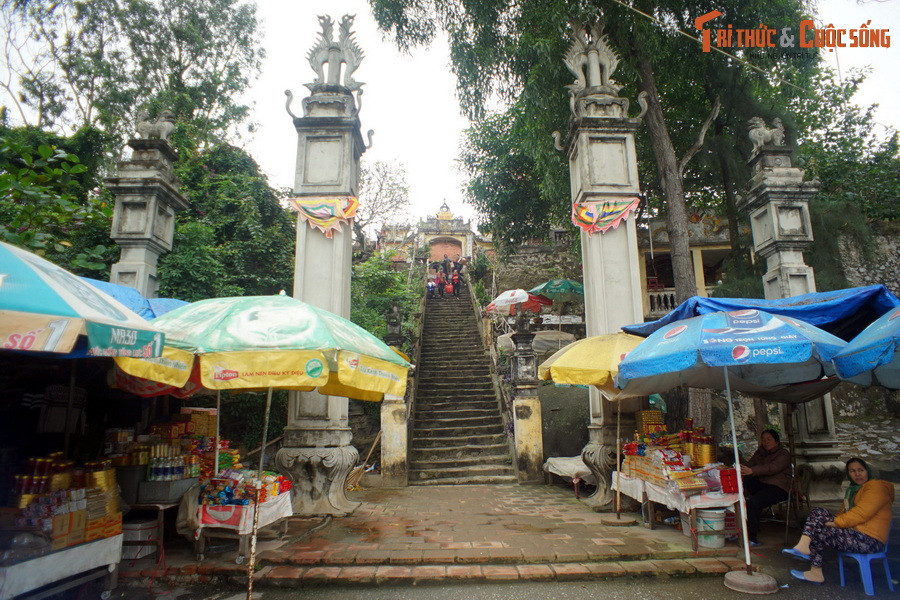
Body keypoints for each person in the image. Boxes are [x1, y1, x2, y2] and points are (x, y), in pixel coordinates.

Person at [783, 457, 894, 585]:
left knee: (817, 521)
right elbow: (843, 514)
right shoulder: (853, 491)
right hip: (855, 534)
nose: (857, 474)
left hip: (869, 540)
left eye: (860, 470)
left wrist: (833, 523)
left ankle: (804, 547)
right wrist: (828, 522)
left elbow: (860, 514)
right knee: (817, 517)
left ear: (868, 470)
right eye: (852, 471)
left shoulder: (877, 487)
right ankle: (815, 572)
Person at [733, 429, 792, 547]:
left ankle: (752, 538)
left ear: (776, 441)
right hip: (762, 484)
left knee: (754, 503)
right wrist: (741, 468)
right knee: (740, 493)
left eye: (769, 439)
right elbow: (750, 464)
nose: (766, 442)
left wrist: (753, 471)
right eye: (763, 440)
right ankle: (738, 528)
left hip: (778, 487)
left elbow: (772, 468)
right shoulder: (760, 452)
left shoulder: (783, 454)